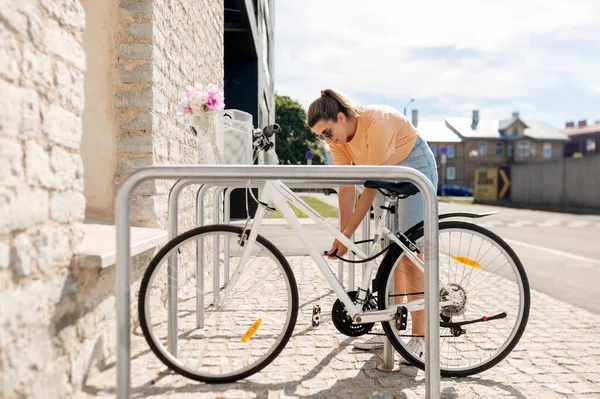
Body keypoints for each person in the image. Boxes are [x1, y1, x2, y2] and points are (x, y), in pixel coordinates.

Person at [307, 88, 438, 357]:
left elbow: (367, 190)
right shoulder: (337, 140)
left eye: (327, 133)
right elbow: (346, 187)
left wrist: (349, 232)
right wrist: (344, 236)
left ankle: (421, 337)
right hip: (383, 175)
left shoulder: (375, 122)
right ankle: (392, 334)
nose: (326, 140)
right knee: (391, 250)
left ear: (341, 118)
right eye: (320, 136)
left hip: (413, 167)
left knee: (411, 251)